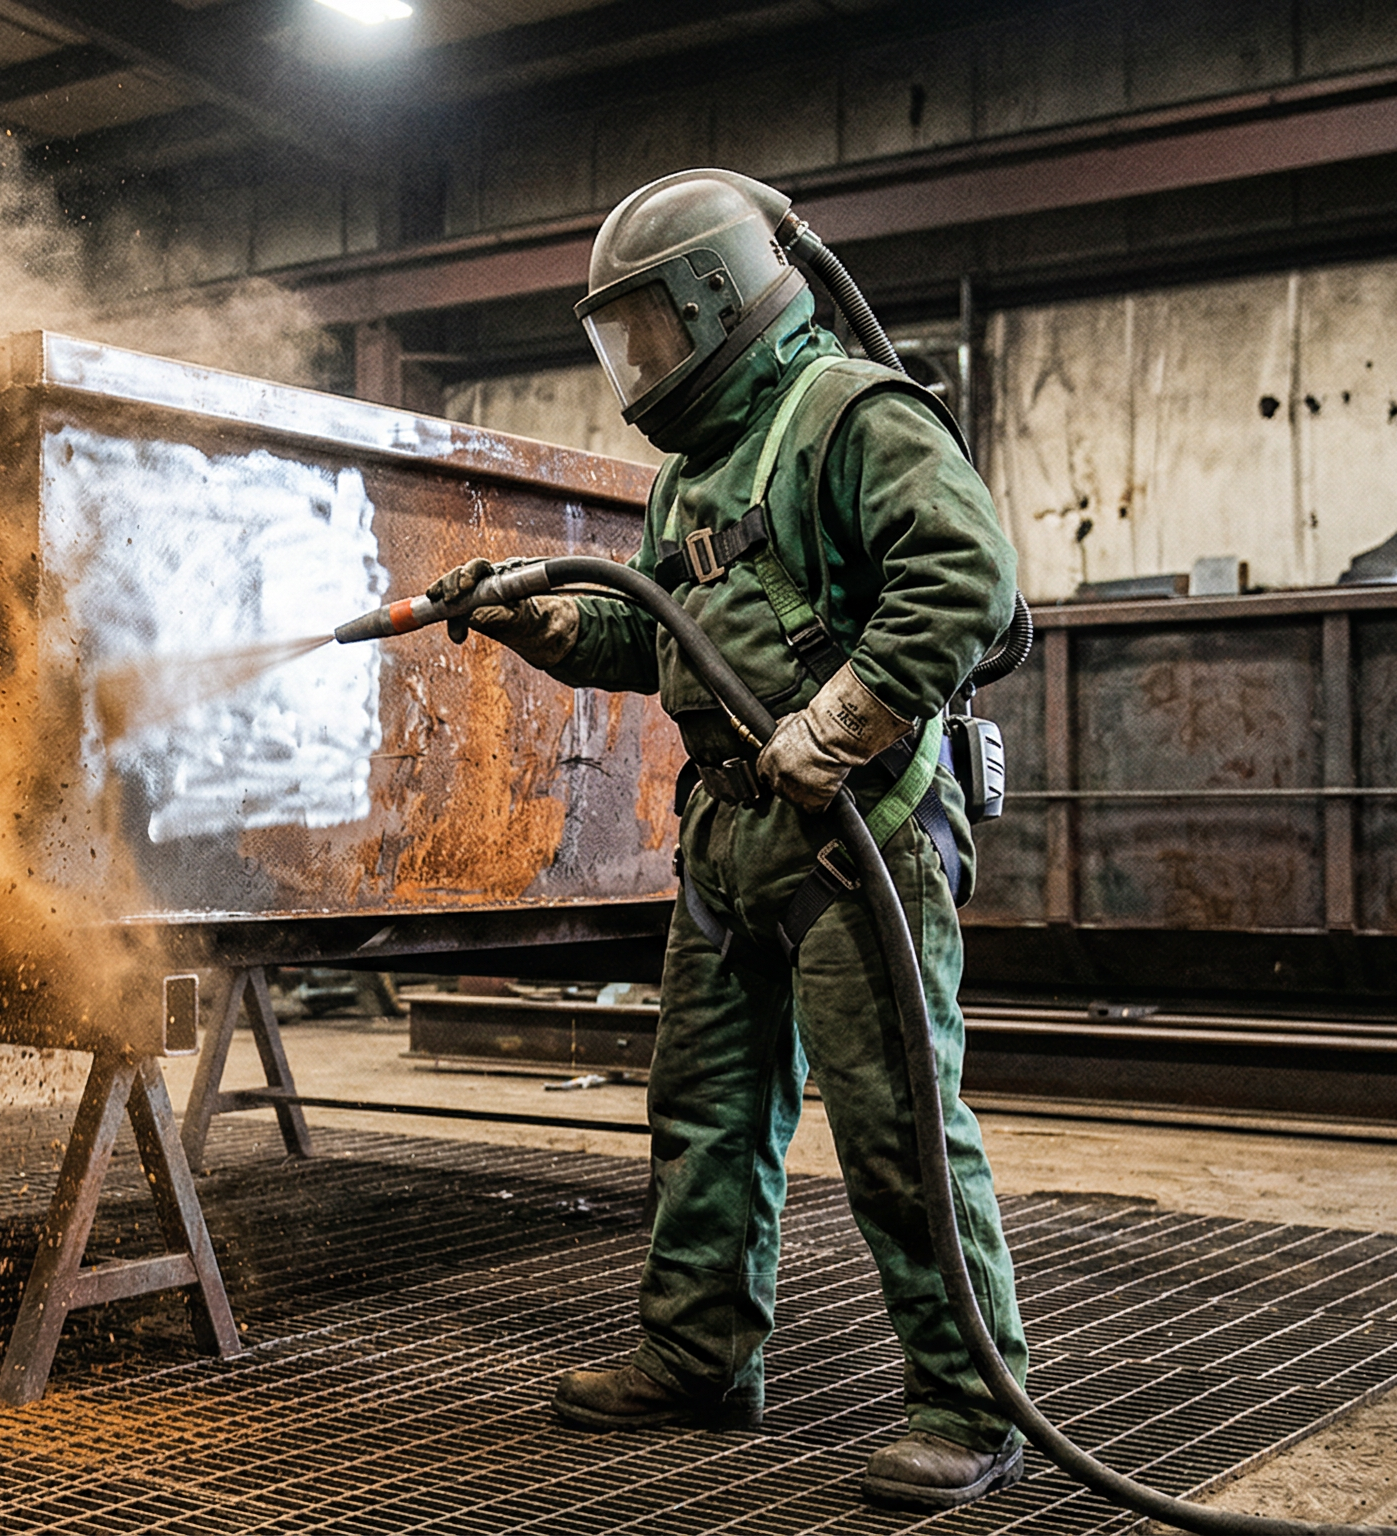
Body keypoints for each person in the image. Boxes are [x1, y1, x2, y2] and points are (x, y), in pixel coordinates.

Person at [429, 168, 1030, 1512]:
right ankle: (698, 1359)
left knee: (898, 1127)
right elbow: (659, 633)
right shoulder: (694, 473)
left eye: (648, 328)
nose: (637, 363)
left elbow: (969, 579)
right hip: (727, 831)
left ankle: (968, 1402)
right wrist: (545, 623)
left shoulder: (850, 413)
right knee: (703, 1113)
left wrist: (847, 719)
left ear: (717, 298)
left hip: (855, 830)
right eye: (620, 338)